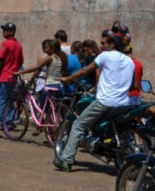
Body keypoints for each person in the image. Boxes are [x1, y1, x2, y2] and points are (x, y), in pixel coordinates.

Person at [55, 29, 134, 172]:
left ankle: (66, 160)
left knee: (78, 125)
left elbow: (86, 70)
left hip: (105, 102)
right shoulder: (130, 61)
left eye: (103, 43)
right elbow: (133, 85)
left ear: (111, 44)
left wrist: (68, 79)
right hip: (124, 103)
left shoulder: (105, 56)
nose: (101, 46)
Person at [0, 22, 24, 130]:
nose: (3, 32)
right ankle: (12, 120)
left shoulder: (5, 44)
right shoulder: (18, 45)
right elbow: (20, 62)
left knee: (2, 101)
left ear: (11, 32)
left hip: (4, 77)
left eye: (5, 30)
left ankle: (4, 123)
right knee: (11, 100)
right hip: (13, 77)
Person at [15, 39, 67, 107]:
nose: (45, 50)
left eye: (47, 48)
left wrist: (21, 72)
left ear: (52, 49)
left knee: (43, 108)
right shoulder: (61, 58)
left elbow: (36, 68)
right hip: (60, 87)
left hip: (50, 86)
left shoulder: (49, 58)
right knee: (54, 109)